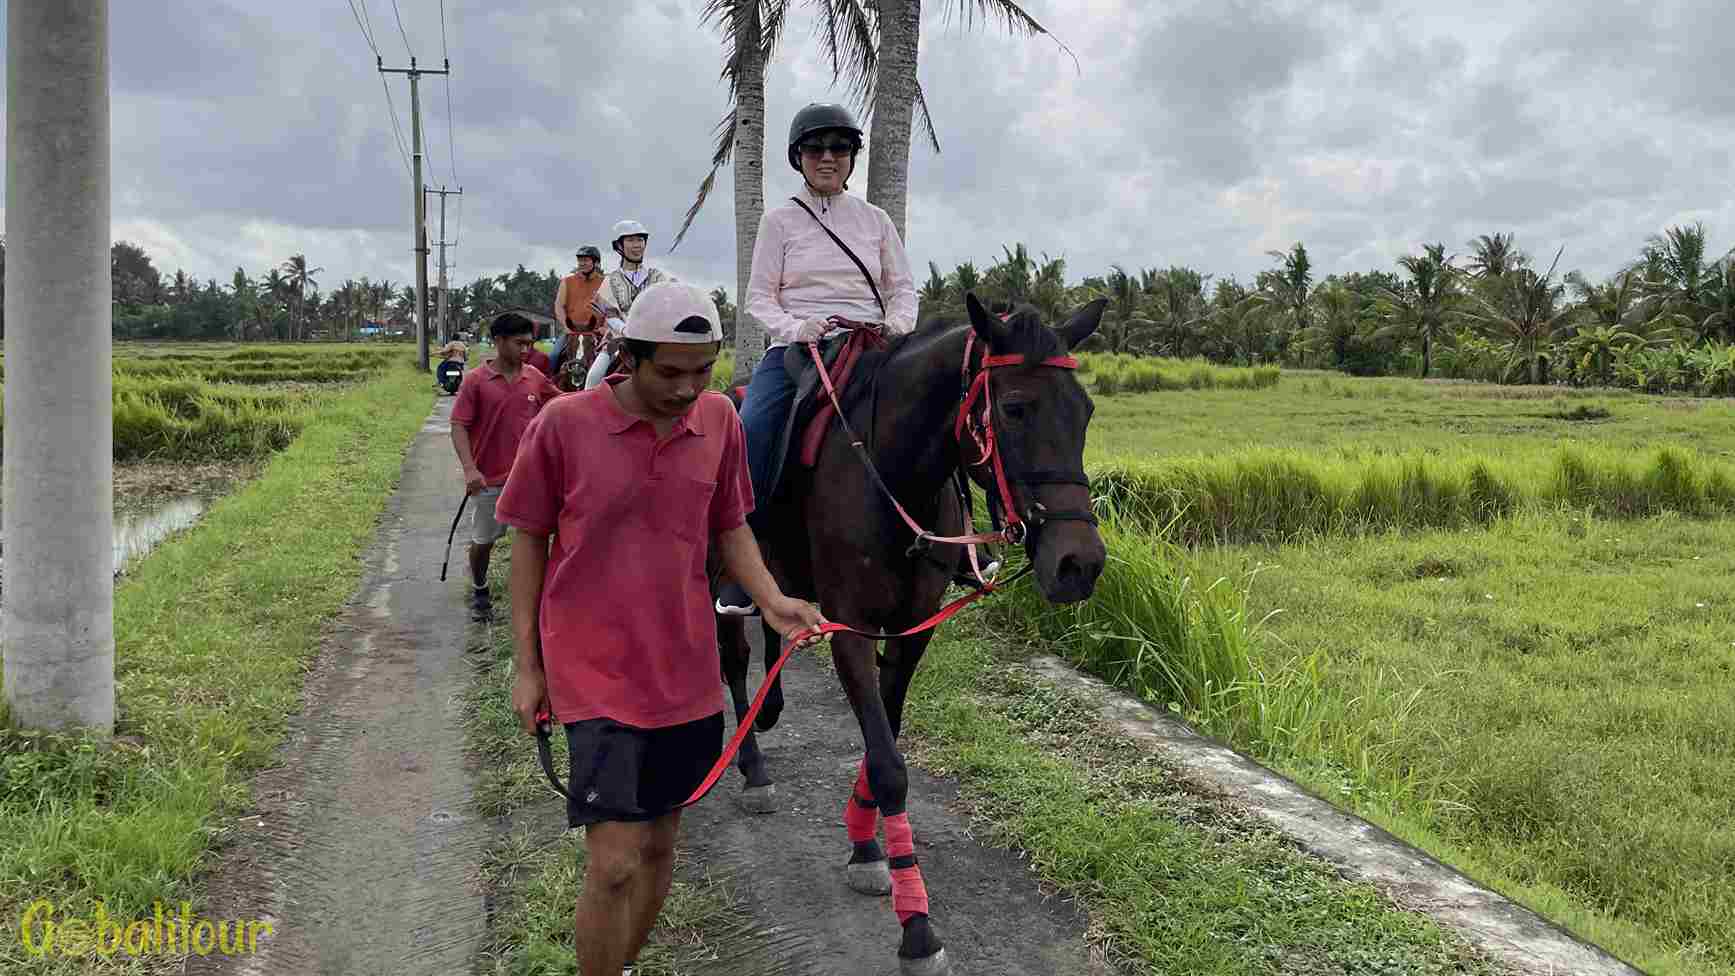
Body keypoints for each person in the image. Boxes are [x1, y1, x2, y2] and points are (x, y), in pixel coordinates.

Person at [497, 282, 825, 976]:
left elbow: (729, 522)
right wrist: (527, 666)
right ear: (628, 358)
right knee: (613, 861)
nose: (686, 389)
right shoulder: (563, 425)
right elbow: (527, 539)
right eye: (668, 372)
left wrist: (770, 599)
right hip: (590, 667)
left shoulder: (719, 422)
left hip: (684, 667)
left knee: (659, 848)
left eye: (701, 371)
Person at [714, 103, 918, 615]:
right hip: (798, 350)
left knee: (936, 412)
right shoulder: (779, 221)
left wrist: (895, 326)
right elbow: (759, 297)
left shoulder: (876, 221)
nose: (828, 157)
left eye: (840, 148)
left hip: (870, 346)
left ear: (852, 157)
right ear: (798, 157)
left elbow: (903, 289)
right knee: (753, 428)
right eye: (816, 148)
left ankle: (950, 540)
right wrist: (795, 327)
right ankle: (746, 561)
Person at [449, 311, 562, 621]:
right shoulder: (475, 381)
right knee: (484, 540)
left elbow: (561, 404)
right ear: (498, 341)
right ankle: (480, 587)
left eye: (530, 344)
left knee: (535, 539)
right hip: (489, 480)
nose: (526, 350)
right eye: (519, 343)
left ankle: (537, 598)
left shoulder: (534, 378)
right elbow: (458, 425)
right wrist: (471, 470)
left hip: (529, 478)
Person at [583, 219, 676, 390]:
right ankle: (587, 405)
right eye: (631, 240)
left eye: (640, 240)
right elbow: (609, 315)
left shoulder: (658, 277)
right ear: (619, 245)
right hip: (618, 339)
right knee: (594, 376)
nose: (637, 245)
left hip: (653, 337)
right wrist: (626, 331)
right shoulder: (610, 280)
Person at [553, 245, 607, 385]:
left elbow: (610, 308)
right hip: (572, 331)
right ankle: (549, 386)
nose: (582, 263)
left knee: (611, 359)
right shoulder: (567, 282)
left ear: (596, 263)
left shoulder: (604, 283)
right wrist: (565, 326)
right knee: (553, 355)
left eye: (586, 260)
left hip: (595, 332)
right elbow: (559, 306)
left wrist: (605, 327)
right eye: (580, 260)